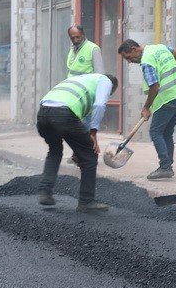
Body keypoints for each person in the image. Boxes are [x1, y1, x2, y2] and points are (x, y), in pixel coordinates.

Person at [37, 73, 119, 213]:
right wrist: (93, 132)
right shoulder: (105, 81)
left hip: (43, 113)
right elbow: (100, 105)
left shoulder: (82, 80)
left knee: (55, 150)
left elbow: (79, 125)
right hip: (63, 113)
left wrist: (78, 150)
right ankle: (86, 202)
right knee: (90, 155)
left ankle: (45, 191)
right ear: (112, 86)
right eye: (110, 93)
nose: (108, 95)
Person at [118, 39, 176, 180]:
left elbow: (154, 87)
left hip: (167, 98)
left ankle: (165, 167)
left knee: (155, 132)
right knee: (167, 132)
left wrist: (146, 107)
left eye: (128, 57)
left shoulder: (146, 61)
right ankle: (168, 164)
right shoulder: (159, 48)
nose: (130, 62)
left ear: (134, 49)